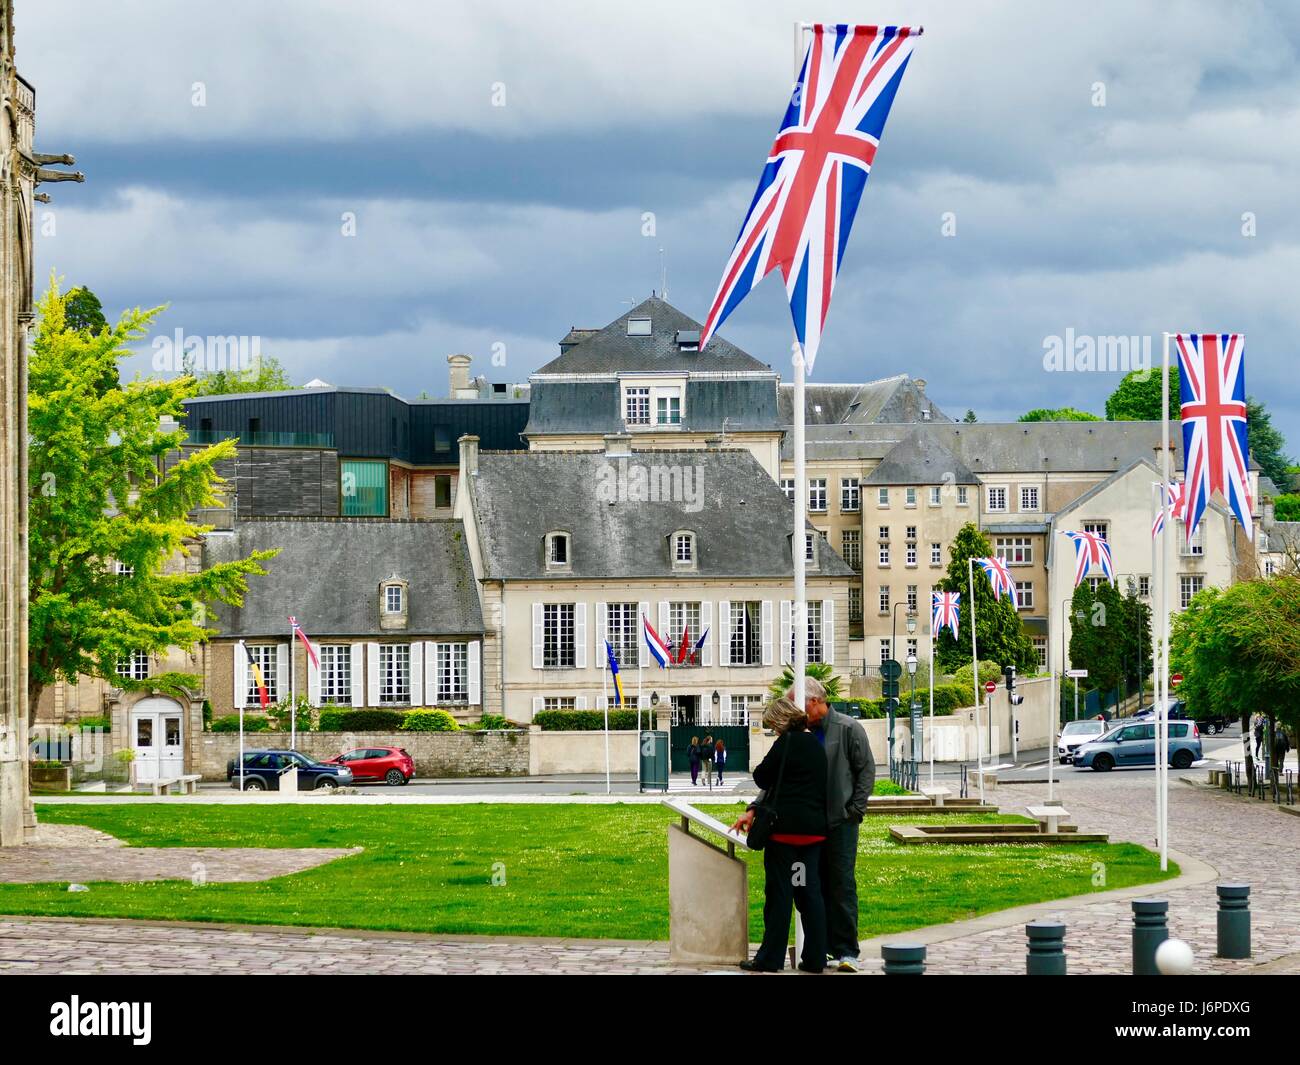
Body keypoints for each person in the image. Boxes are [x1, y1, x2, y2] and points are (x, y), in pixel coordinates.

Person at [731, 677, 875, 972]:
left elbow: (865, 772)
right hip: (814, 830)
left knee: (833, 885)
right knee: (812, 891)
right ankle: (817, 955)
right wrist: (754, 808)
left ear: (811, 701)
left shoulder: (847, 729)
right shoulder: (812, 740)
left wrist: (854, 811)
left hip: (825, 826)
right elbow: (781, 784)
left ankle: (842, 950)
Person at [737, 697, 828, 973]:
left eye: (772, 725)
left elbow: (762, 777)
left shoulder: (786, 742)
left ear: (780, 720)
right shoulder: (816, 744)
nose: (773, 730)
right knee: (809, 893)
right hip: (811, 835)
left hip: (784, 835)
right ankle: (815, 958)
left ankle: (770, 958)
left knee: (779, 896)